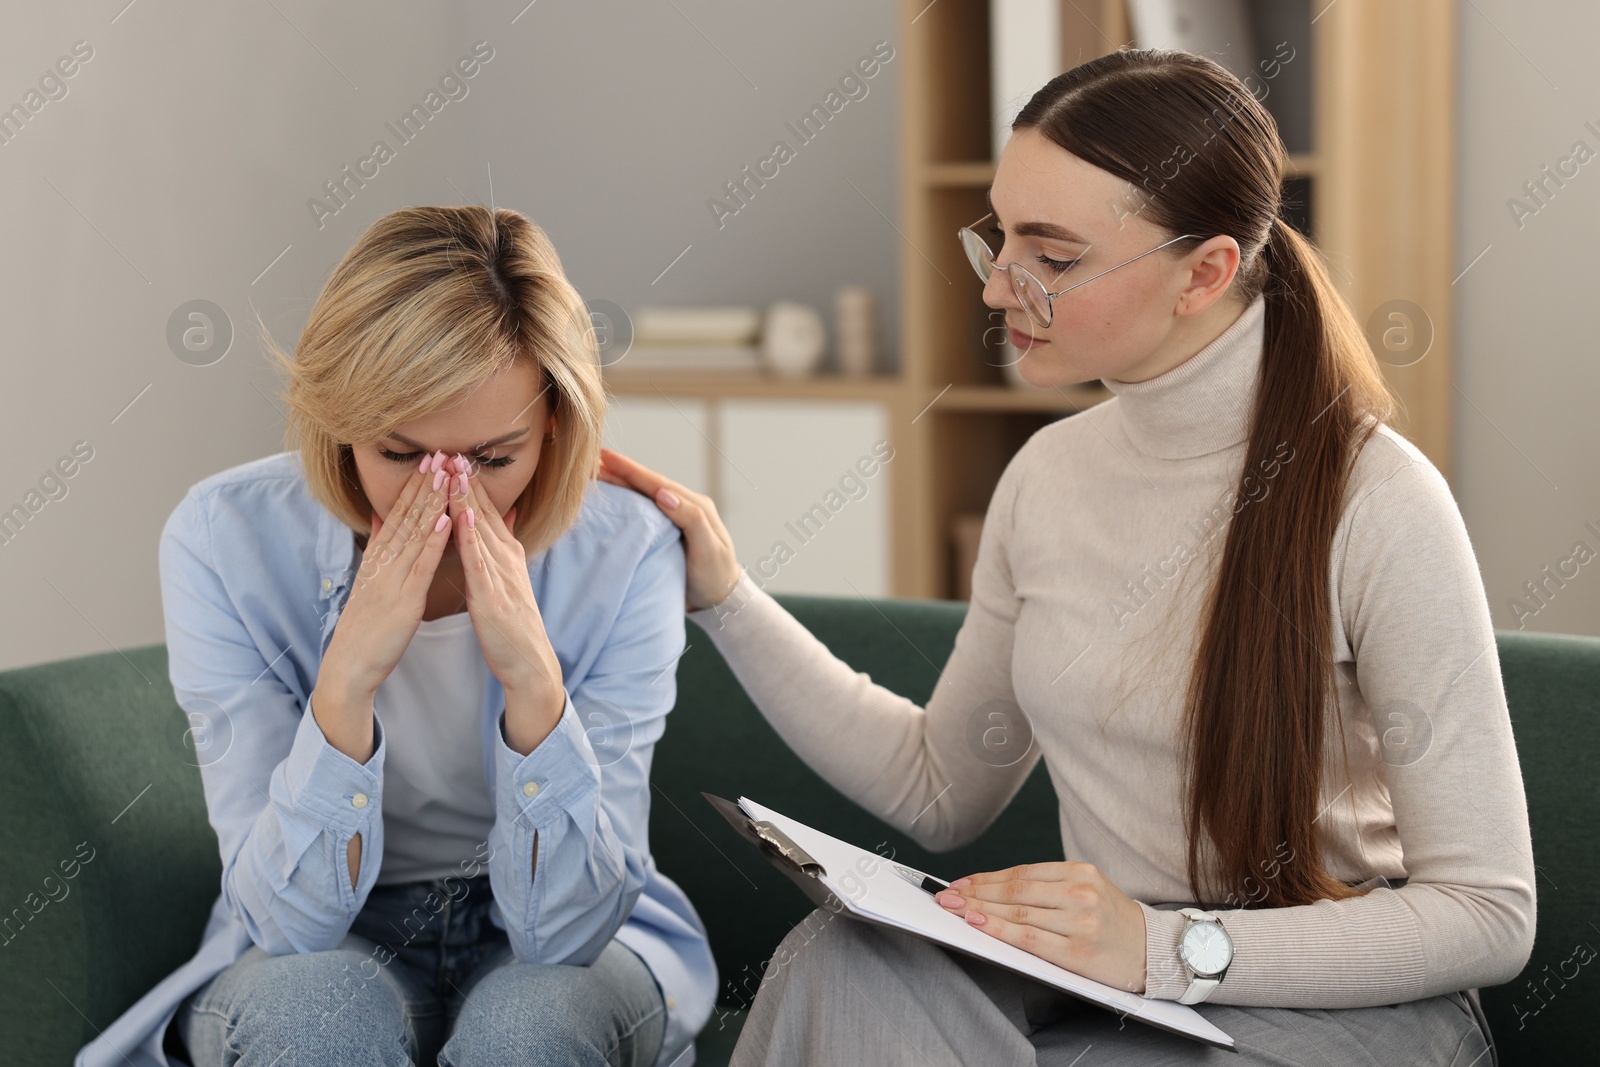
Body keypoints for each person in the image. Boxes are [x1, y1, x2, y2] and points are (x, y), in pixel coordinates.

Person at [597, 49, 1532, 1066]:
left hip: (1346, 1012)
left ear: (1205, 271)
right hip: (1123, 987)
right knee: (846, 961)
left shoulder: (1380, 502)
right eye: (999, 236)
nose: (1000, 286)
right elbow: (941, 787)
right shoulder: (1046, 477)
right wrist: (725, 595)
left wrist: (1168, 945)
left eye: (1052, 254)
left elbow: (1488, 912)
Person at [74, 206, 715, 1067]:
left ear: (556, 423)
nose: (447, 498)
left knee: (533, 1030)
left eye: (492, 459)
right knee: (313, 1020)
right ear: (339, 419)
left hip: (566, 938)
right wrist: (345, 686)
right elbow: (288, 923)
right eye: (400, 453)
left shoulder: (628, 551)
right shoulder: (223, 539)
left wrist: (536, 688)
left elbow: (565, 929)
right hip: (329, 935)